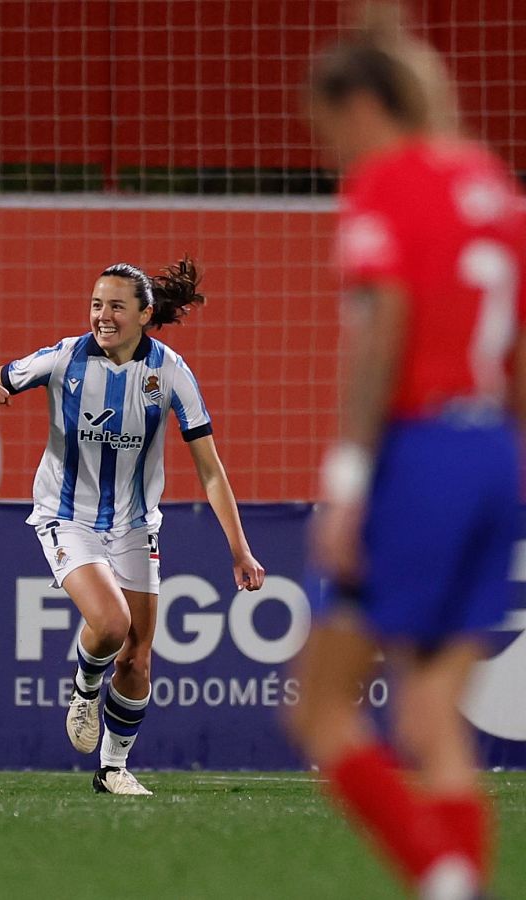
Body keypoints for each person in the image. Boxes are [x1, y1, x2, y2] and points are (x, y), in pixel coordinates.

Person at [286, 10, 524, 898]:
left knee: (319, 710)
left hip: (419, 456)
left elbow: (383, 329)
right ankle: (460, 881)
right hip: (496, 453)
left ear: (359, 103)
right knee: (431, 711)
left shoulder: (384, 182)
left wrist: (347, 483)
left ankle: (443, 880)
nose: (330, 150)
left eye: (327, 127)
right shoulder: (489, 182)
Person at [0, 257, 265, 795]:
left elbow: (210, 470)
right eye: (97, 304)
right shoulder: (64, 358)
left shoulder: (169, 371)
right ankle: (84, 692)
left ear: (145, 314)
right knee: (110, 623)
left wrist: (240, 550)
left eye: (116, 306)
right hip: (66, 515)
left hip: (134, 524)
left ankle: (113, 770)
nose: (102, 315)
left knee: (138, 658)